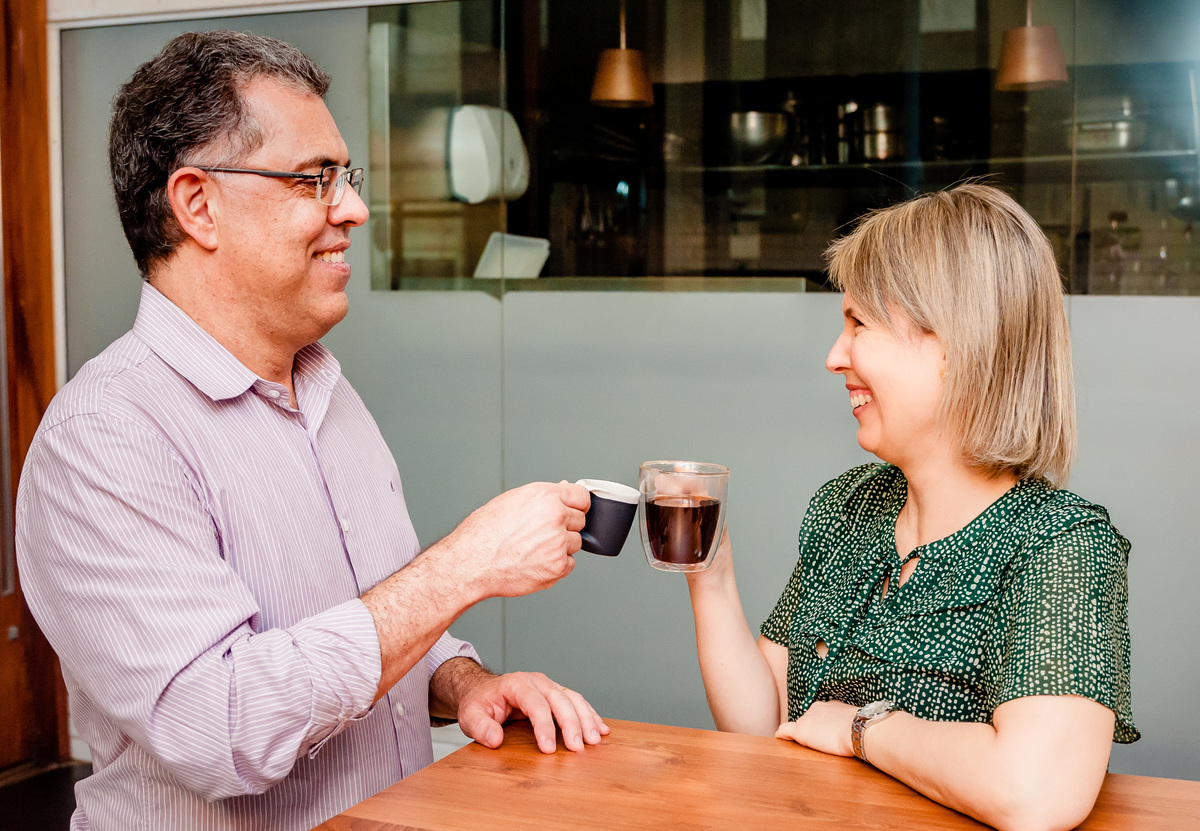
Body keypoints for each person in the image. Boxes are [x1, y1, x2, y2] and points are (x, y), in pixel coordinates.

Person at [16, 30, 606, 831]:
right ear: (197, 204)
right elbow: (220, 726)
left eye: (346, 177)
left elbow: (371, 618)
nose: (354, 209)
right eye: (312, 179)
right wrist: (464, 566)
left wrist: (463, 682)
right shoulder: (104, 440)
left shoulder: (324, 385)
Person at [684, 183, 1137, 831]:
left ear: (953, 345)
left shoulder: (1059, 545)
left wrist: (862, 728)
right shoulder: (850, 505)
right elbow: (768, 720)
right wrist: (711, 575)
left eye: (858, 323)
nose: (835, 356)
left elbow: (1036, 793)